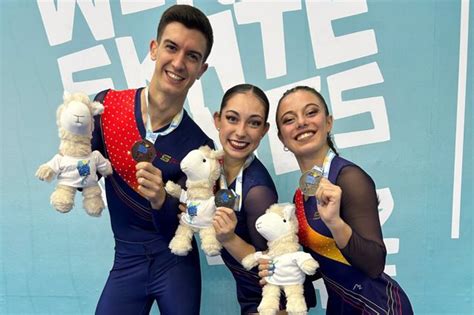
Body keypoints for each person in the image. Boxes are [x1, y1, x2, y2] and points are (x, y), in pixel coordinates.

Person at [91, 5, 214, 314]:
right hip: (127, 260)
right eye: (171, 47)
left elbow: (186, 225)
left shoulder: (201, 148)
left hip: (175, 264)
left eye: (192, 56)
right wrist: (76, 166)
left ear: (202, 70)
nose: (178, 62)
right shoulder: (107, 106)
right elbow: (85, 181)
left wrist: (162, 200)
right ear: (154, 49)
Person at [260, 85, 413, 314]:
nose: (302, 122)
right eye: (289, 119)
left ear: (328, 122)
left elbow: (374, 264)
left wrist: (335, 223)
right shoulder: (301, 195)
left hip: (376, 305)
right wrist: (281, 267)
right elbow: (324, 265)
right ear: (282, 138)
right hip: (341, 306)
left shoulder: (350, 178)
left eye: (311, 112)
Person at [211, 84, 316, 314]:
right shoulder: (212, 167)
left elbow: (272, 261)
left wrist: (228, 238)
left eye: (254, 122)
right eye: (232, 118)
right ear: (217, 120)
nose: (241, 131)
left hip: (273, 300)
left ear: (264, 130)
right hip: (251, 293)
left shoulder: (257, 191)